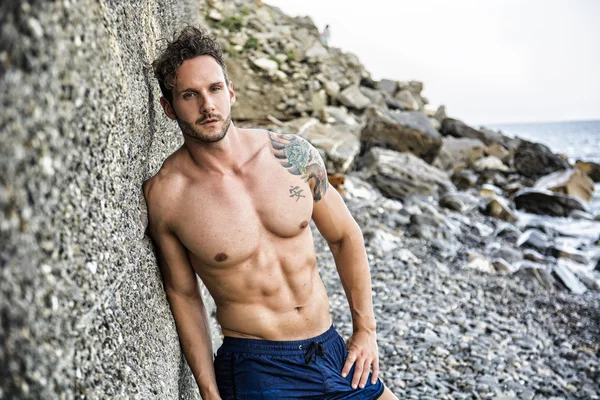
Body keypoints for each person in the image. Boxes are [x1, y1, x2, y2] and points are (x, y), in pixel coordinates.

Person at [145, 26, 398, 399]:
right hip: (256, 368)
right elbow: (183, 295)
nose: (207, 106)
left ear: (230, 91)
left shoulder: (292, 155)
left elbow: (345, 236)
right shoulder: (168, 194)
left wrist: (366, 331)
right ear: (169, 108)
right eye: (189, 95)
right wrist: (209, 392)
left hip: (330, 350)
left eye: (215, 89)